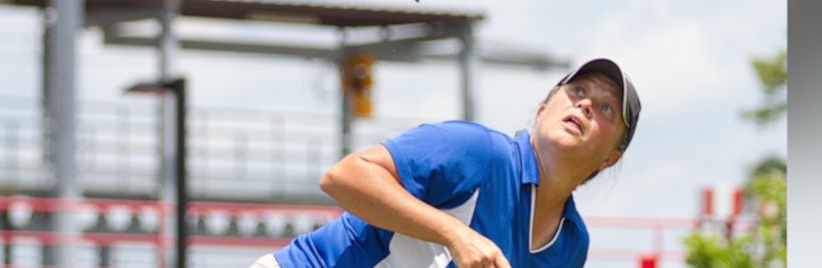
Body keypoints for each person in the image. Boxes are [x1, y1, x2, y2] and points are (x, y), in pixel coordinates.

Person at [254, 58, 641, 268]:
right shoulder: (478, 151)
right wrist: (456, 235)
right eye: (576, 90)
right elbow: (344, 178)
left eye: (606, 107)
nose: (586, 104)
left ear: (611, 158)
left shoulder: (571, 246)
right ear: (543, 109)